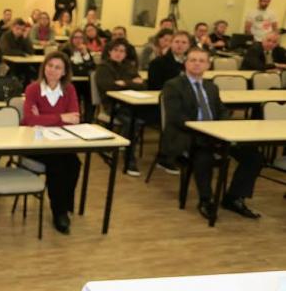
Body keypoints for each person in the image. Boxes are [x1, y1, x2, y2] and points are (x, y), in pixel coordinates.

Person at [161, 46, 263, 221]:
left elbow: (222, 110)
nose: (197, 64)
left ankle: (234, 198)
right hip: (189, 135)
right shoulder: (173, 85)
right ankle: (205, 200)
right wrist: (205, 131)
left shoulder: (211, 87)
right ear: (185, 63)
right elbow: (176, 117)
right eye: (192, 60)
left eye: (201, 61)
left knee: (253, 156)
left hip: (217, 135)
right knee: (204, 157)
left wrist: (221, 127)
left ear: (208, 65)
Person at [21, 52, 81, 234]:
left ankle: (64, 205)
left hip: (61, 141)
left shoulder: (69, 89)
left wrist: (44, 118)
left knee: (75, 163)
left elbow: (76, 118)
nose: (52, 70)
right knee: (58, 166)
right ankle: (60, 212)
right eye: (49, 65)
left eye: (58, 67)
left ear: (64, 72)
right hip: (34, 143)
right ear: (43, 67)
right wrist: (61, 117)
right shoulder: (33, 89)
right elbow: (30, 120)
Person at [95, 39, 147, 175]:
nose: (119, 54)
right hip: (113, 105)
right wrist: (131, 83)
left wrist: (124, 82)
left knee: (142, 118)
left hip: (131, 104)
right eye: (116, 50)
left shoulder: (128, 67)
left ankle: (125, 145)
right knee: (133, 122)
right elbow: (108, 86)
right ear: (110, 52)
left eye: (122, 51)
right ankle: (130, 160)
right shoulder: (103, 68)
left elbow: (142, 85)